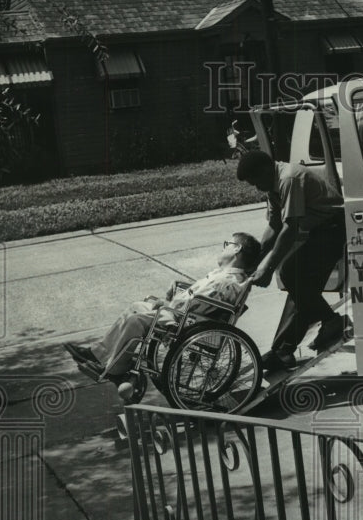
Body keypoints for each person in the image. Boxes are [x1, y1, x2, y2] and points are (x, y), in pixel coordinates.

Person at [64, 232, 262, 386]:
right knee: (136, 307)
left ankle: (116, 369)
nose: (223, 248)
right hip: (186, 315)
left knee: (137, 320)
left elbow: (200, 303)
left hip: (188, 320)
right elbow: (198, 299)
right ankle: (98, 353)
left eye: (226, 245)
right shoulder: (224, 276)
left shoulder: (228, 280)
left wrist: (168, 305)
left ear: (236, 249)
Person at [236, 149, 347, 372]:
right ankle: (283, 352)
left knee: (290, 273)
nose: (256, 187)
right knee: (303, 293)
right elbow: (275, 226)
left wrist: (267, 268)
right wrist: (255, 261)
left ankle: (331, 321)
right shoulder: (274, 184)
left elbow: (290, 228)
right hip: (320, 231)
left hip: (334, 229)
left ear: (266, 170)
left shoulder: (289, 179)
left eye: (256, 181)